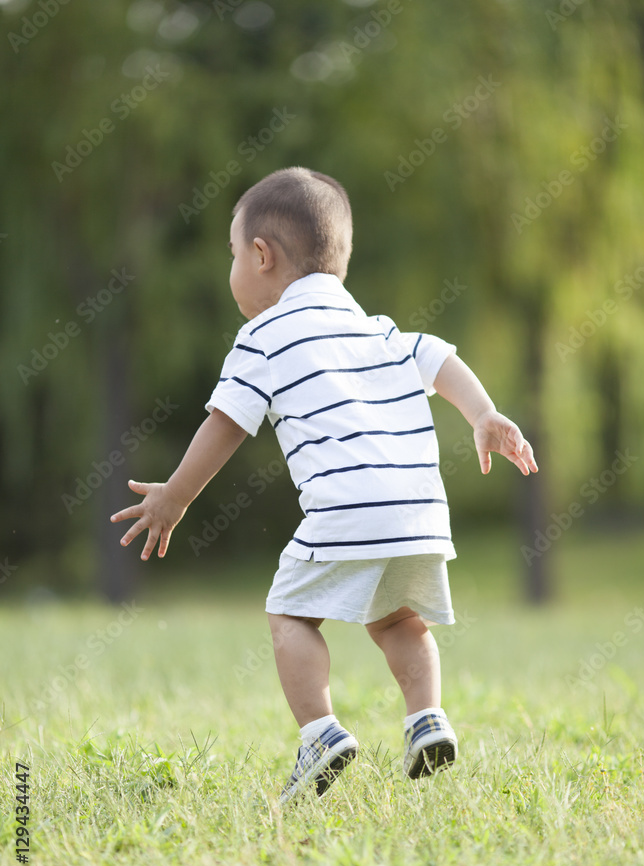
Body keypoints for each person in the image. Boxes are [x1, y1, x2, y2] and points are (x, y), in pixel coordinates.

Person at [110, 167, 537, 804]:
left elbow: (225, 424)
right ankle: (426, 719)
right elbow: (438, 355)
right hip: (419, 515)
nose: (232, 269)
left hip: (347, 511)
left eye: (233, 255)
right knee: (400, 622)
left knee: (289, 615)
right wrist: (483, 414)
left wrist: (175, 495)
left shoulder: (263, 336)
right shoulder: (381, 330)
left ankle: (320, 733)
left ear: (261, 256)